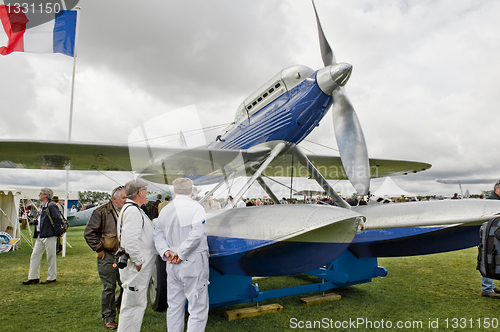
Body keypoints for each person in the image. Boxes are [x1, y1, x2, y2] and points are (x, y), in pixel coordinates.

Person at [154, 178, 209, 332]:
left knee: (174, 306)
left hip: (172, 263)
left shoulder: (165, 209)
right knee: (197, 308)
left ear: (174, 190)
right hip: (192, 262)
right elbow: (197, 234)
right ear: (191, 190)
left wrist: (167, 252)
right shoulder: (196, 208)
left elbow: (157, 234)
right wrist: (180, 253)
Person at [84, 186, 127, 330]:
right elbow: (89, 233)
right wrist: (99, 249)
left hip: (124, 255)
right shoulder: (101, 212)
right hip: (108, 255)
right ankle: (108, 317)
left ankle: (120, 307)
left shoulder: (127, 211)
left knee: (124, 285)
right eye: (123, 198)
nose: (126, 200)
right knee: (109, 287)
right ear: (114, 199)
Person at [117, 179, 156, 332]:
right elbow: (130, 241)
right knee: (133, 305)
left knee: (136, 303)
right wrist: (139, 261)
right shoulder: (132, 210)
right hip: (136, 267)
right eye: (145, 189)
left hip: (136, 266)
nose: (146, 192)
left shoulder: (133, 208)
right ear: (139, 192)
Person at [23, 188, 63, 285]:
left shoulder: (51, 205)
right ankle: (33, 277)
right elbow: (41, 220)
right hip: (40, 234)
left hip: (49, 234)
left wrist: (58, 232)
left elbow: (58, 219)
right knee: (35, 255)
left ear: (45, 195)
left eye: (40, 193)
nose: (39, 195)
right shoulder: (43, 206)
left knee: (51, 256)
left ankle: (52, 277)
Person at [481, 180, 500, 298]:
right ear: (496, 189)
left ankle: (490, 286)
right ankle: (487, 288)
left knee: (493, 259)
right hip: (491, 236)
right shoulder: (493, 201)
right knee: (490, 258)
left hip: (494, 235)